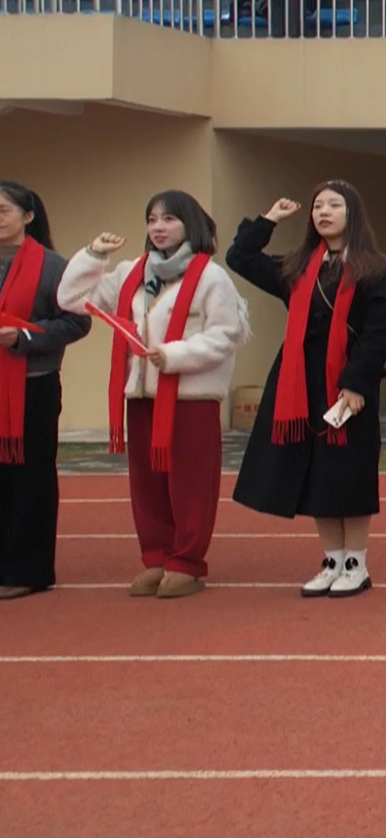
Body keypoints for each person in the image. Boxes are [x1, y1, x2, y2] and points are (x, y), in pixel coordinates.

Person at [58, 191, 247, 600]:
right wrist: (93, 255)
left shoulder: (211, 276)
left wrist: (174, 355)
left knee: (190, 484)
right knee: (147, 485)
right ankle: (157, 557)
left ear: (190, 224)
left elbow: (226, 334)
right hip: (141, 396)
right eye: (152, 220)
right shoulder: (131, 271)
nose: (158, 227)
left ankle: (186, 562)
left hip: (190, 397)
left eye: (169, 219)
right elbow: (69, 299)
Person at [227, 183, 386, 598]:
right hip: (301, 384)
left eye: (334, 205)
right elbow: (240, 258)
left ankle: (356, 564)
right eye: (318, 206)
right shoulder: (298, 266)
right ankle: (332, 560)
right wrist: (269, 219)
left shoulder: (375, 267)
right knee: (317, 475)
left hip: (349, 387)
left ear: (352, 213)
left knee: (350, 474)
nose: (323, 212)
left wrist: (355, 383)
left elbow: (379, 331)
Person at [0, 183, 93, 601]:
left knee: (29, 478)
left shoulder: (54, 267)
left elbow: (77, 322)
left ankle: (27, 570)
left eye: (3, 210)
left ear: (28, 216)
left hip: (31, 386)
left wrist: (22, 336)